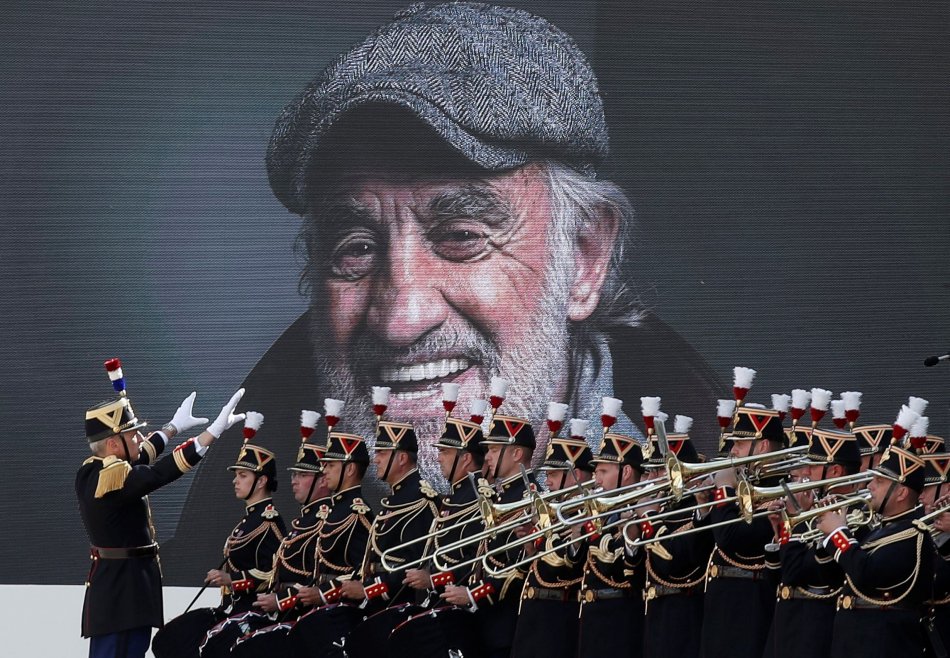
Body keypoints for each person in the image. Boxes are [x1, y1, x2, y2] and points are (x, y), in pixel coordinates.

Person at [170, 1, 724, 577]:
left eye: (462, 235)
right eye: (355, 247)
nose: (400, 319)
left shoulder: (705, 529)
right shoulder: (249, 524)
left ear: (583, 259)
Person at [76, 358, 245, 658]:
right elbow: (156, 473)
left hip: (130, 589)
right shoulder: (107, 479)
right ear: (113, 445)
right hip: (119, 593)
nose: (140, 438)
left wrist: (173, 428)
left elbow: (142, 456)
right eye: (132, 434)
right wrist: (211, 434)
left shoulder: (104, 471)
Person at [172, 413, 286, 658]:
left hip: (251, 610)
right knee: (171, 638)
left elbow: (272, 573)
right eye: (236, 475)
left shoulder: (269, 522)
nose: (235, 481)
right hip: (230, 607)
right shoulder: (249, 519)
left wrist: (231, 579)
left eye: (243, 476)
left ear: (261, 481)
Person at [816, 443, 936, 656]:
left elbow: (866, 573)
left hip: (883, 645)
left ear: (901, 493)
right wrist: (825, 534)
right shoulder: (878, 530)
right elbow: (834, 579)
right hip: (855, 642)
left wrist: (838, 533)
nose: (870, 486)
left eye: (879, 481)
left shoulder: (912, 534)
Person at [700, 405, 785, 658]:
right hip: (722, 603)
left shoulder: (778, 488)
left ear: (763, 446)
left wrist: (723, 490)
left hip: (750, 605)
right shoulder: (744, 483)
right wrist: (702, 506)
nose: (732, 451)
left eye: (739, 444)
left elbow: (729, 537)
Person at [510, 423, 594, 658]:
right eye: (547, 475)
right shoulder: (557, 512)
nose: (547, 482)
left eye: (553, 475)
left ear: (576, 475)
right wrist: (529, 548)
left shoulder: (585, 513)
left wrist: (543, 531)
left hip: (559, 618)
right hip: (533, 616)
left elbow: (567, 565)